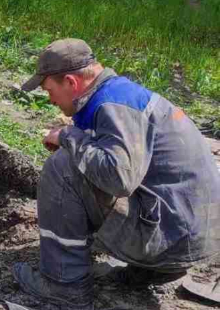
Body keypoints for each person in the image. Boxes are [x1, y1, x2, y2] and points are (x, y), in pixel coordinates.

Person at [13, 38, 220, 309]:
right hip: (189, 234)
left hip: (171, 240)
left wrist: (68, 136)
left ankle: (62, 284)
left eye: (49, 89)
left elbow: (118, 179)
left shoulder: (114, 106)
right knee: (80, 161)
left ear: (71, 83)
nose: (49, 99)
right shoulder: (121, 95)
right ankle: (148, 270)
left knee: (62, 168)